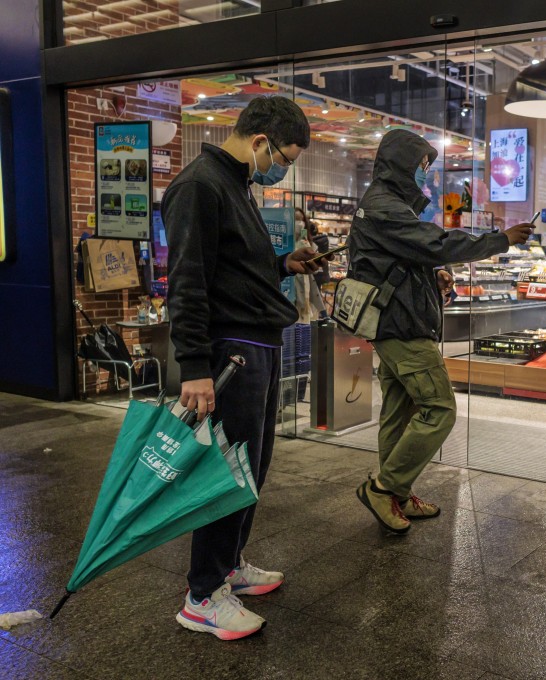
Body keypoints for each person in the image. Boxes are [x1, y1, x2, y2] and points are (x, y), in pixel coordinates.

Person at [163, 95, 325, 640]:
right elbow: (187, 281)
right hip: (229, 350)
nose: (284, 169)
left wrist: (282, 265)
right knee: (226, 471)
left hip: (256, 343)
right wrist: (194, 366)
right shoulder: (199, 186)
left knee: (250, 468)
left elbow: (232, 266)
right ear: (260, 142)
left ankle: (228, 564)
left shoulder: (236, 185)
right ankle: (203, 595)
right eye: (285, 158)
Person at [348, 128, 535, 534]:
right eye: (421, 165)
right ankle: (384, 488)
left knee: (399, 411)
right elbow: (436, 243)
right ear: (401, 164)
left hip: (394, 321)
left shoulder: (388, 204)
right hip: (402, 326)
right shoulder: (385, 207)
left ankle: (396, 495)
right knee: (440, 409)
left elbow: (403, 258)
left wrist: (430, 278)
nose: (426, 173)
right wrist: (499, 240)